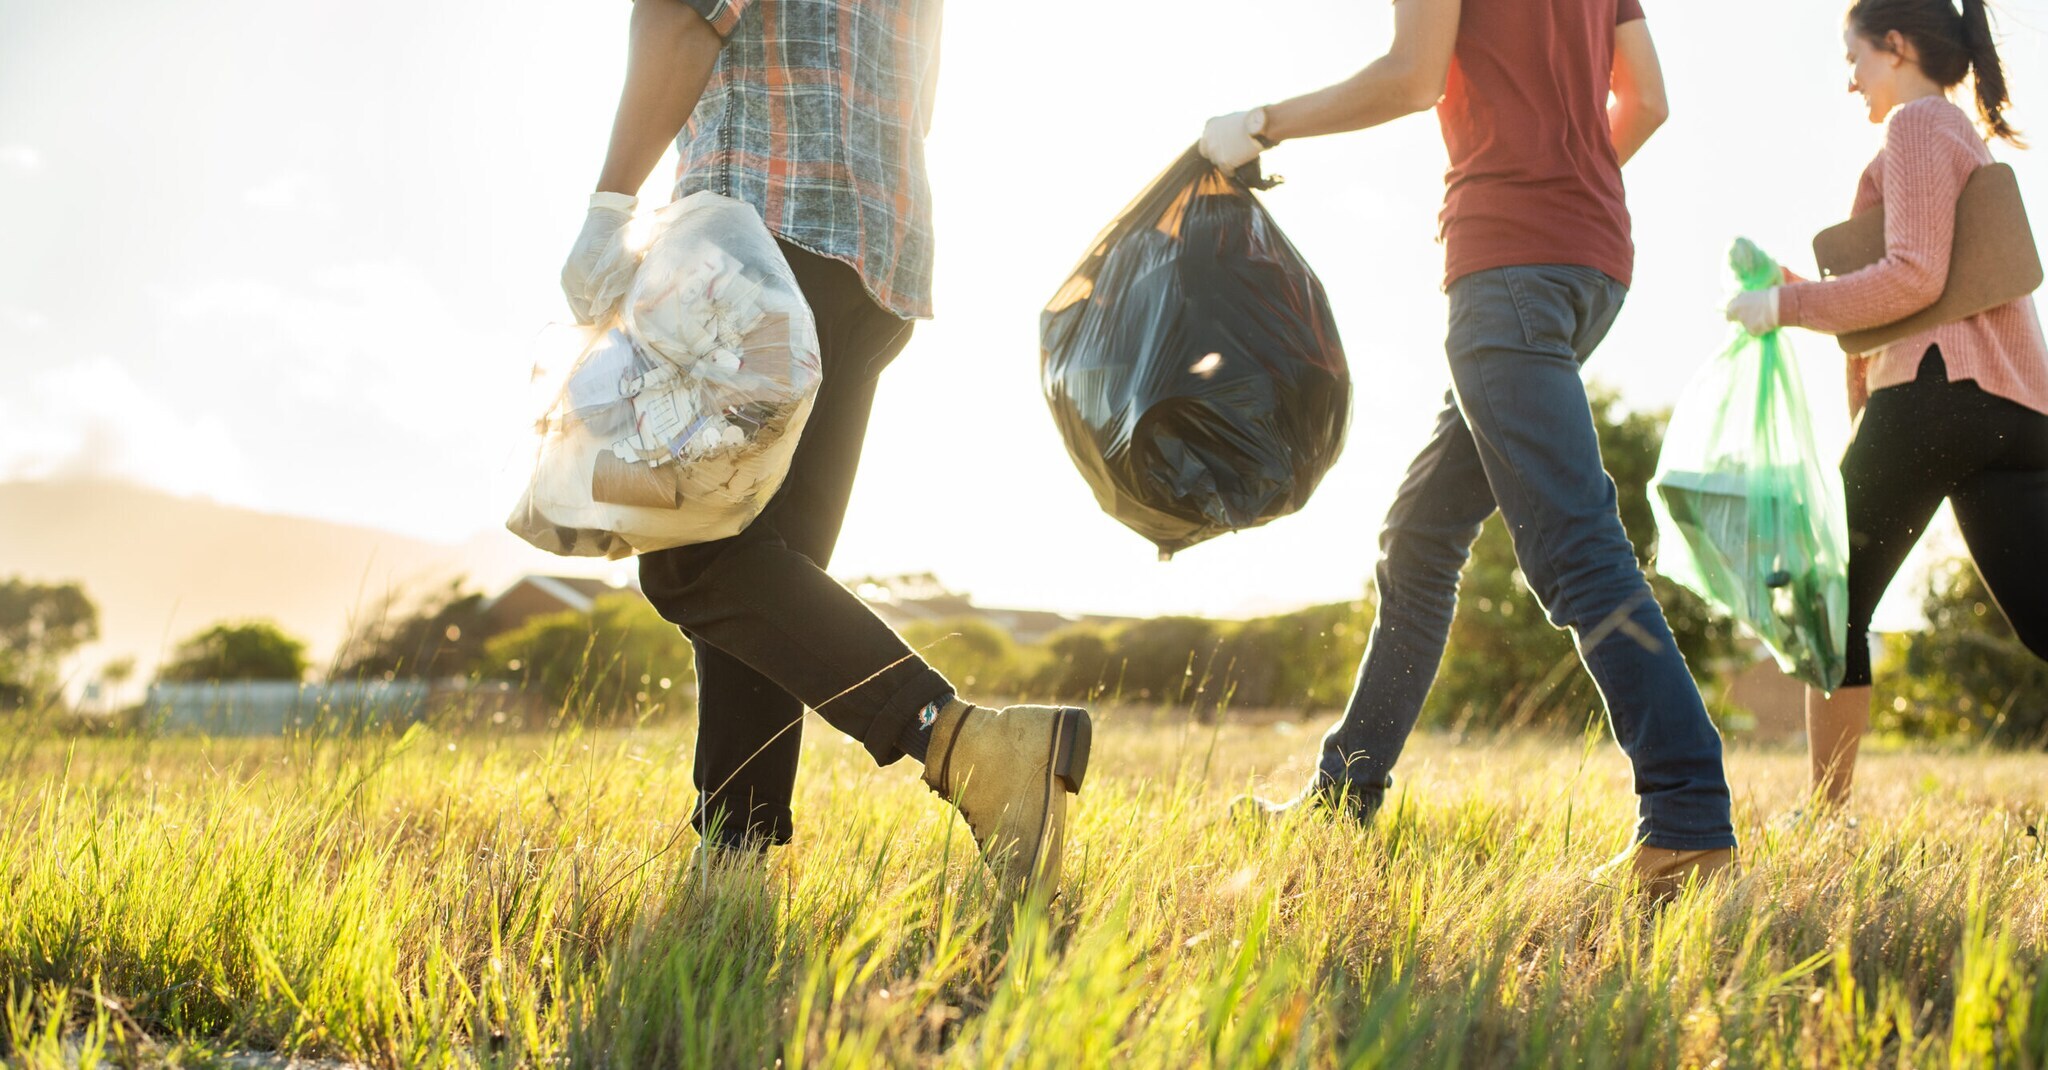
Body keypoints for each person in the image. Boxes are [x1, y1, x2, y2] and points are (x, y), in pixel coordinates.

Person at [558, 0, 1091, 893]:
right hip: (878, 251)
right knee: (768, 563)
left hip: (760, 226)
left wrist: (610, 203)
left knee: (693, 557)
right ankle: (733, 863)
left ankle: (966, 744)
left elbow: (686, 18)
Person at [1206, 0, 1738, 895]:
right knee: (1419, 538)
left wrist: (1260, 124)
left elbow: (1413, 77)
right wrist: (1565, 176)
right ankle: (1346, 795)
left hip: (1509, 266)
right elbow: (1645, 101)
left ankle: (1687, 816)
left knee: (1574, 546)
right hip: (1593, 262)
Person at [1725, 0, 2048, 810]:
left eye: (1855, 57)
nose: (1850, 80)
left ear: (1897, 46)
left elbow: (1912, 279)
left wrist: (1785, 312)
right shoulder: (1958, 134)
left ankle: (1826, 820)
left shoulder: (1913, 128)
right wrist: (1796, 290)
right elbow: (1920, 289)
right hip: (2017, 415)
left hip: (1935, 398)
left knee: (1824, 595)